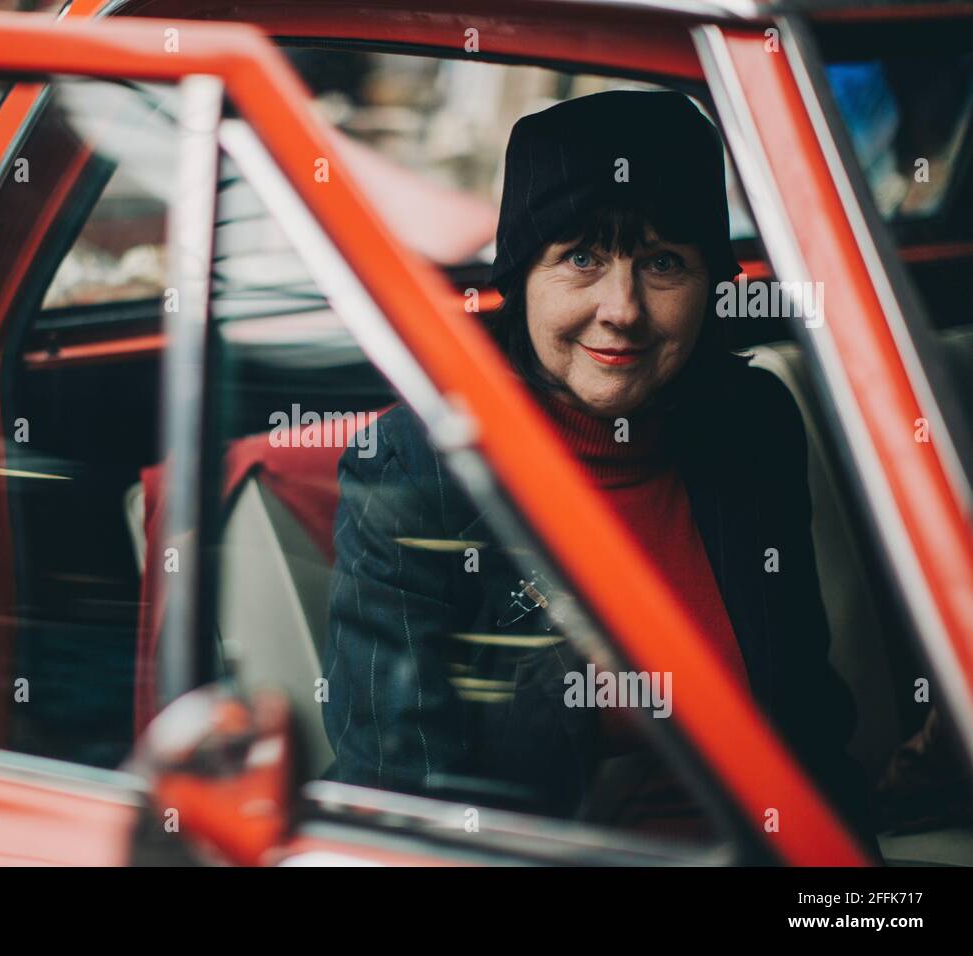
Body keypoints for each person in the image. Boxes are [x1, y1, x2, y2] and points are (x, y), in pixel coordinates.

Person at [322, 89, 875, 844]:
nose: (623, 307)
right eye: (580, 257)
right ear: (520, 281)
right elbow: (405, 799)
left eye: (664, 262)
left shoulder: (752, 423)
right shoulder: (418, 470)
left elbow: (809, 726)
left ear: (710, 286)